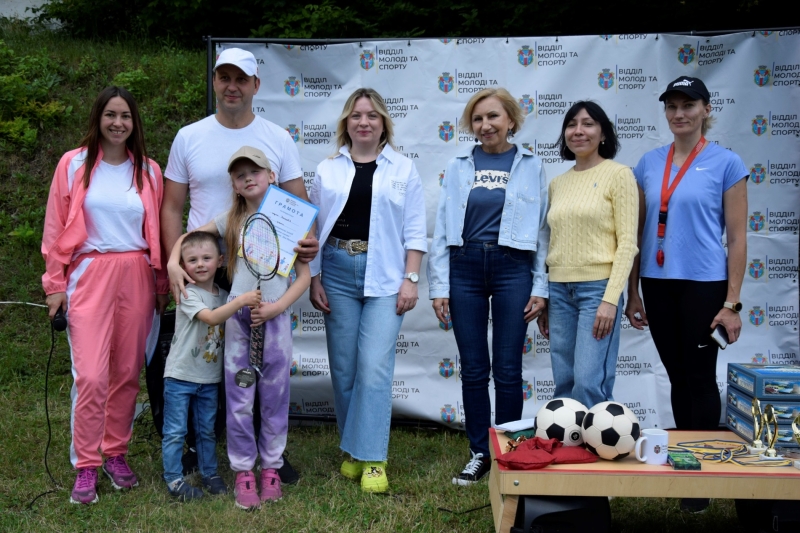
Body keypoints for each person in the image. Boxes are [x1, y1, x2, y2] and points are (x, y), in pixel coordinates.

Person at [161, 47, 316, 483]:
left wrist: (305, 248)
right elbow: (172, 208)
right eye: (224, 77)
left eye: (241, 79)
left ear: (255, 86)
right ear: (214, 81)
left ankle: (271, 458)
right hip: (207, 269)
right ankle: (200, 445)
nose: (232, 86)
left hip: (266, 271)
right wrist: (175, 263)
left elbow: (299, 208)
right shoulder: (189, 136)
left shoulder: (277, 137)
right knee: (206, 361)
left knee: (267, 369)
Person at [42, 86, 169, 504]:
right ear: (98, 118)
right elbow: (55, 227)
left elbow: (158, 234)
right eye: (111, 115)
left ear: (135, 124)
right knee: (92, 374)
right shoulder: (74, 163)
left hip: (136, 274)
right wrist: (55, 285)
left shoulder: (148, 171)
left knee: (127, 372)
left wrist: (162, 285)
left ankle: (115, 452)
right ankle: (86, 464)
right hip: (89, 272)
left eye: (126, 116)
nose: (118, 123)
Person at [625, 78, 747, 511]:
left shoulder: (727, 163)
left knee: (699, 375)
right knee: (677, 374)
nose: (679, 114)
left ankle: (704, 474)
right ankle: (685, 463)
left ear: (705, 109)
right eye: (672, 106)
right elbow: (637, 233)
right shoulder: (647, 163)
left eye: (688, 105)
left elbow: (736, 238)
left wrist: (731, 303)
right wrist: (633, 291)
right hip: (658, 285)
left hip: (704, 285)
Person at [168, 146, 310, 510]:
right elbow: (189, 239)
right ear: (232, 183)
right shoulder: (228, 219)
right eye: (239, 174)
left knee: (275, 399)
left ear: (272, 175)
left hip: (275, 322)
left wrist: (277, 306)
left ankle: (271, 469)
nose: (248, 178)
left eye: (255, 171)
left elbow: (305, 275)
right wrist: (172, 261)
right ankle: (244, 471)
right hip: (239, 322)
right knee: (239, 400)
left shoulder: (290, 218)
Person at [428, 87, 549, 486]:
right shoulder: (460, 163)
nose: (485, 125)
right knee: (475, 370)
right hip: (465, 267)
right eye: (478, 119)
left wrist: (540, 286)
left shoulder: (531, 164)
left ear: (511, 120)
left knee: (509, 369)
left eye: (493, 117)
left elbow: (544, 229)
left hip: (513, 266)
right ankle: (480, 452)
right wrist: (439, 285)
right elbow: (444, 226)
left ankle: (510, 451)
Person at [309, 88, 427, 493]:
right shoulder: (327, 170)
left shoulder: (403, 168)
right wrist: (315, 277)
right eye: (357, 115)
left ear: (383, 124)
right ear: (346, 122)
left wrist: (410, 280)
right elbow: (314, 229)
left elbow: (415, 231)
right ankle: (354, 452)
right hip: (337, 271)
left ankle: (374, 458)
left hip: (386, 276)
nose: (364, 122)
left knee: (374, 367)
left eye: (372, 116)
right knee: (344, 368)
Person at [542, 101, 638, 409]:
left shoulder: (619, 175)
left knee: (588, 380)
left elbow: (627, 244)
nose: (578, 131)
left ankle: (595, 451)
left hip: (597, 290)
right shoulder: (557, 184)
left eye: (588, 124)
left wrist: (611, 300)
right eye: (571, 124)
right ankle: (568, 451)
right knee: (565, 380)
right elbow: (549, 241)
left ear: (603, 134)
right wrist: (544, 296)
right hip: (559, 292)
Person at [161, 231, 261, 501]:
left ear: (220, 261)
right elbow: (213, 318)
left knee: (206, 429)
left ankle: (210, 473)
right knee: (176, 431)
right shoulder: (187, 293)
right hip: (180, 375)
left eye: (207, 258)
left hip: (209, 378)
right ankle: (173, 479)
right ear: (182, 266)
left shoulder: (226, 294)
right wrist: (242, 300)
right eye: (192, 260)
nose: (200, 264)